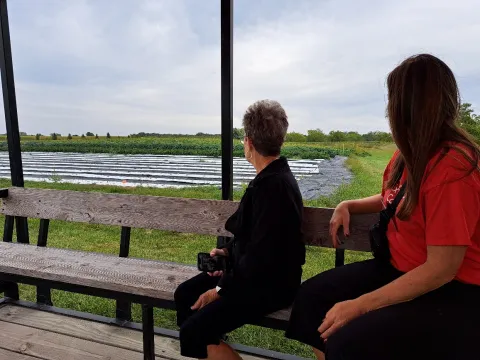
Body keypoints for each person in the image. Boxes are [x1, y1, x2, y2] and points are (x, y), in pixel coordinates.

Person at [285, 53, 480, 360]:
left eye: (393, 101)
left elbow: (442, 268)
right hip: (398, 267)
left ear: (407, 106)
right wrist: (349, 203)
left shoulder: (452, 167)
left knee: (348, 341)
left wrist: (360, 304)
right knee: (312, 299)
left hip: (451, 290)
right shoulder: (409, 154)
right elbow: (394, 198)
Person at [174, 99, 305, 360]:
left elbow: (262, 258)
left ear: (248, 142)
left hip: (269, 285)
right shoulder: (270, 179)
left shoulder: (273, 187)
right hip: (251, 273)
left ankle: (208, 340)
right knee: (185, 295)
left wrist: (221, 289)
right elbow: (257, 239)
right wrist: (226, 253)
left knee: (194, 331)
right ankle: (213, 348)